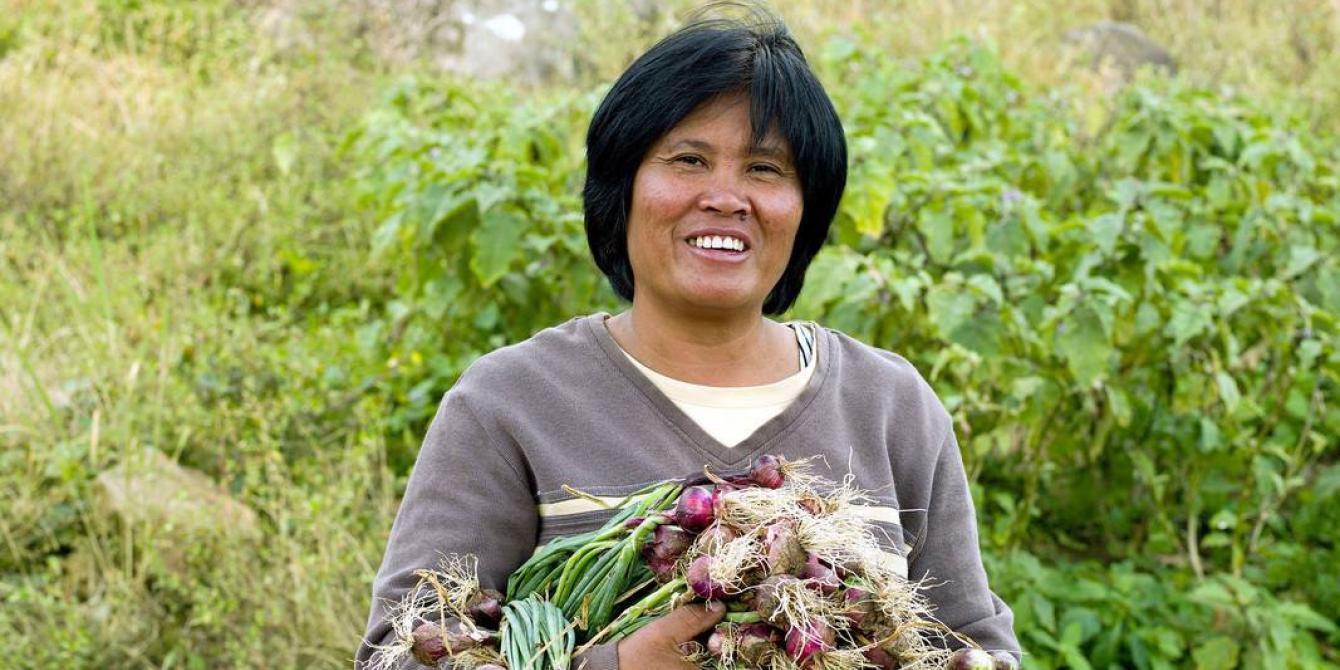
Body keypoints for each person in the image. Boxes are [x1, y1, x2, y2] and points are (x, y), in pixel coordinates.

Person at [356, 7, 1020, 669]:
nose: (726, 197)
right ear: (623, 188)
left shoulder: (888, 404)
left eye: (765, 169)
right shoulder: (511, 403)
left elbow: (978, 649)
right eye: (689, 159)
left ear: (806, 209)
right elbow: (400, 652)